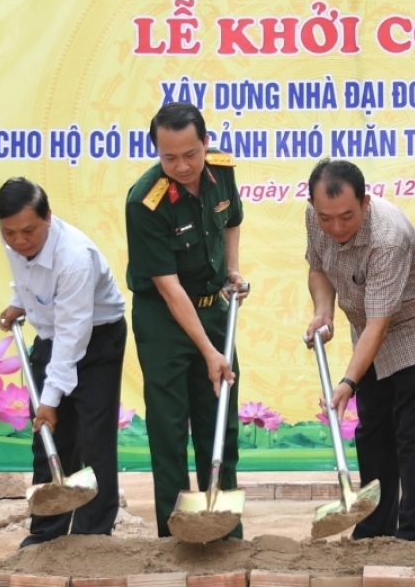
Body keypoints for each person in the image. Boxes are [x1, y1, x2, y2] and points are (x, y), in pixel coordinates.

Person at [304, 158, 415, 541]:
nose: (336, 227)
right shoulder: (315, 218)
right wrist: (324, 312)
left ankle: (413, 535)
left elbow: (380, 322)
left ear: (365, 203)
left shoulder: (388, 236)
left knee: (412, 437)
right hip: (367, 329)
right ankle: (373, 529)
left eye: (346, 217)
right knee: (373, 433)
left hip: (414, 326)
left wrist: (348, 383)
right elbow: (318, 269)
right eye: (326, 218)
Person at [124, 102, 248, 538]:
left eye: (190, 154)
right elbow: (170, 289)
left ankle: (225, 529)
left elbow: (231, 220)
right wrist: (210, 351)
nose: (182, 166)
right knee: (170, 428)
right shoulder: (145, 200)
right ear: (156, 150)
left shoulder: (222, 171)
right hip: (164, 319)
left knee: (220, 422)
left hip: (214, 308)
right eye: (169, 157)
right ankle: (175, 534)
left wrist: (232, 270)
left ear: (205, 143)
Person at [0, 177, 128, 547]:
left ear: (48, 218)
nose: (19, 241)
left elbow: (74, 337)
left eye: (28, 231)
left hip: (97, 337)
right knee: (48, 437)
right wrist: (21, 300)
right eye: (9, 232)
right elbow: (27, 278)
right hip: (53, 333)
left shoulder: (74, 258)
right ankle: (47, 531)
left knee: (93, 433)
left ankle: (92, 532)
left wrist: (50, 400)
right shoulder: (14, 242)